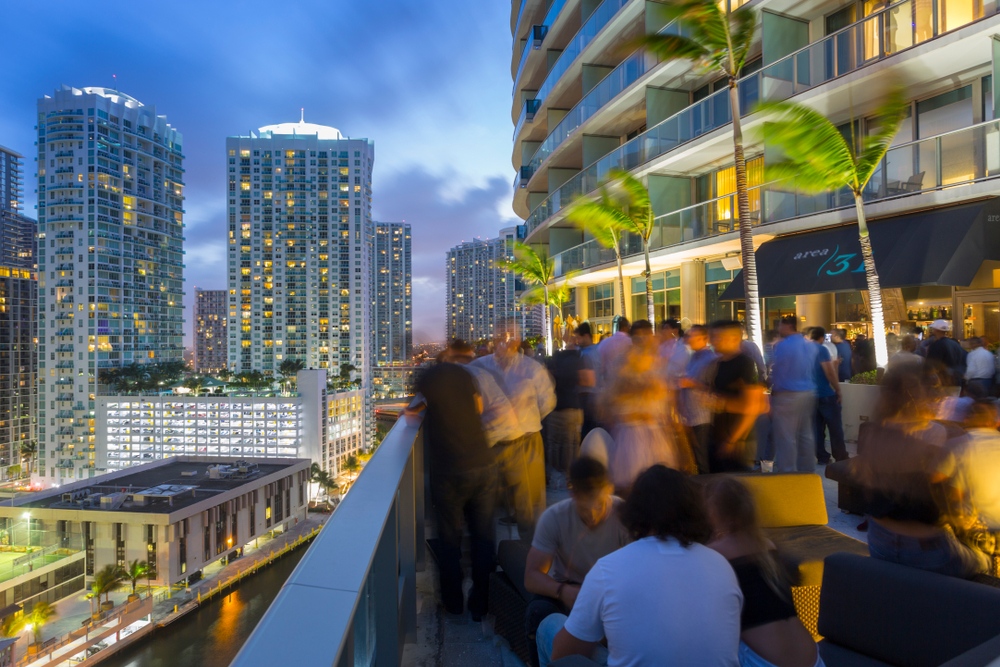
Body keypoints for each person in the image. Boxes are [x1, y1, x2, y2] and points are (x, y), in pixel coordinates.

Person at [537, 465, 742, 667]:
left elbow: (564, 655)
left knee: (549, 625)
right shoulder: (722, 566)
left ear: (633, 512)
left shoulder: (608, 569)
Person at [856, 367, 990, 578]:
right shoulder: (939, 435)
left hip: (879, 541)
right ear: (917, 397)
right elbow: (948, 501)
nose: (938, 396)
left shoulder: (871, 433)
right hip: (928, 549)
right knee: (984, 562)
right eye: (933, 390)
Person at [405, 358, 497, 619]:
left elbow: (418, 404)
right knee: (483, 539)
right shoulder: (463, 373)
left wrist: (417, 410)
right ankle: (481, 604)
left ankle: (453, 603)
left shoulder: (427, 378)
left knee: (448, 539)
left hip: (449, 472)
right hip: (482, 463)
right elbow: (478, 407)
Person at [523, 457, 630, 667]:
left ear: (608, 489)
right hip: (568, 590)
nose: (592, 515)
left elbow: (638, 571)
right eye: (584, 509)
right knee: (537, 612)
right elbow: (531, 576)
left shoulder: (624, 515)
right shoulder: (555, 517)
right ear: (573, 495)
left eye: (599, 505)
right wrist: (562, 591)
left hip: (611, 593)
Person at [706, 477, 823, 667]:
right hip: (813, 659)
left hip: (765, 662)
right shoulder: (768, 546)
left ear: (717, 512)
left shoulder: (715, 553)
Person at [473, 330, 557, 543]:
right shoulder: (480, 366)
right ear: (494, 341)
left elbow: (548, 401)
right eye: (501, 339)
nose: (505, 343)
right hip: (491, 444)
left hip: (525, 441)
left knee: (529, 505)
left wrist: (526, 420)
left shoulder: (532, 368)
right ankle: (490, 558)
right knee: (486, 504)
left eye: (510, 339)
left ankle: (530, 555)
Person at [602, 344, 677, 492]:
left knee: (652, 481)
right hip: (634, 437)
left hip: (648, 435)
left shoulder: (651, 381)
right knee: (638, 480)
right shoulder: (627, 383)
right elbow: (616, 412)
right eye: (648, 356)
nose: (652, 359)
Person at [708, 321, 766, 472]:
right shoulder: (719, 362)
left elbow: (754, 406)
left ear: (734, 338)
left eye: (719, 337)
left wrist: (732, 440)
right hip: (719, 436)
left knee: (736, 486)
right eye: (712, 336)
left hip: (738, 441)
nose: (713, 341)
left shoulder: (746, 364)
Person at [769, 316, 818, 472]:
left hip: (787, 394)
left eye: (780, 324)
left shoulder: (782, 346)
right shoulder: (811, 346)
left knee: (786, 436)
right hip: (808, 392)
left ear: (788, 326)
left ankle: (787, 472)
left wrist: (773, 390)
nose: (778, 328)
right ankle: (808, 470)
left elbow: (778, 371)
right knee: (805, 434)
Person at [547, 330, 585, 487]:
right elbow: (587, 380)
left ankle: (552, 478)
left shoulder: (553, 358)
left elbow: (547, 380)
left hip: (554, 407)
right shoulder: (579, 359)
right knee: (570, 445)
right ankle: (570, 479)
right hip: (572, 407)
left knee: (553, 444)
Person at [680, 325, 719, 474]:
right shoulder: (693, 357)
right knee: (696, 456)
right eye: (688, 336)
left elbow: (714, 388)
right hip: (691, 415)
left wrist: (692, 383)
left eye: (692, 336)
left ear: (704, 338)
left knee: (702, 458)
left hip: (703, 415)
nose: (688, 339)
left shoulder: (711, 359)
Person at [809, 327, 847, 465]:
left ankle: (822, 457)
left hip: (810, 395)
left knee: (816, 429)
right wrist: (837, 389)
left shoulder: (804, 350)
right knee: (835, 427)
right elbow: (829, 371)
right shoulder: (821, 349)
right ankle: (840, 456)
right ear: (821, 337)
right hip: (825, 393)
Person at [577, 323, 601, 437]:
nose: (578, 341)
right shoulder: (598, 350)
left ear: (586, 336)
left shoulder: (585, 354)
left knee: (586, 432)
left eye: (579, 338)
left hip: (587, 397)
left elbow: (587, 380)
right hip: (597, 395)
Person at [926, 320, 966, 387]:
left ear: (935, 330)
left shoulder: (936, 345)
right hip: (956, 381)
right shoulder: (955, 344)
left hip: (943, 383)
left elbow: (931, 366)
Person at [598, 317, 632, 387]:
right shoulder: (630, 342)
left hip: (609, 385)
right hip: (628, 385)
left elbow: (599, 367)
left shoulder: (604, 343)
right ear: (625, 327)